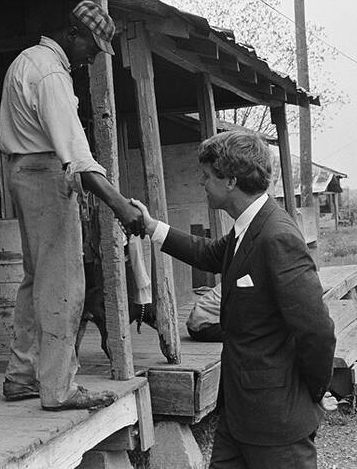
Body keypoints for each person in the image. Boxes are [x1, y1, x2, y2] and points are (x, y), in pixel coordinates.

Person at [130, 132, 336, 468]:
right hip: (239, 416)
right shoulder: (248, 227)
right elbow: (209, 253)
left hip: (276, 424)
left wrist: (309, 393)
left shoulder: (277, 235)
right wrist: (153, 228)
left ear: (230, 181)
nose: (202, 182)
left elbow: (317, 331)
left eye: (208, 176)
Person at [0, 0, 145, 411]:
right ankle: (59, 388)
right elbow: (77, 158)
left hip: (23, 171)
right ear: (73, 34)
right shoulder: (50, 73)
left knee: (35, 279)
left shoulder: (28, 60)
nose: (93, 57)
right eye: (92, 48)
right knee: (63, 283)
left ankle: (21, 376)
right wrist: (119, 205)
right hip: (43, 175)